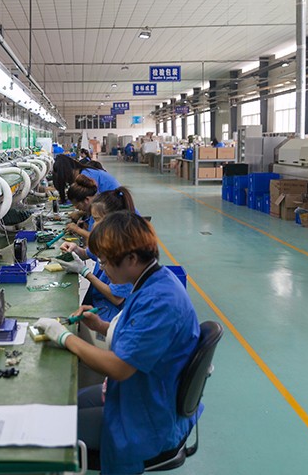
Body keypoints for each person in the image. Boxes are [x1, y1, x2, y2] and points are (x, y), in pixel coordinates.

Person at [36, 212, 200, 474]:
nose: (102, 268)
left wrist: (64, 337)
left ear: (132, 259)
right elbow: (138, 334)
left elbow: (120, 367)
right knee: (64, 404)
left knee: (49, 430)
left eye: (105, 262)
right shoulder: (150, 281)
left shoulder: (160, 300)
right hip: (141, 391)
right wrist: (100, 326)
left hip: (148, 418)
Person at [56, 187, 136, 322]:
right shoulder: (105, 239)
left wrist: (84, 272)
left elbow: (117, 298)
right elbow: (86, 253)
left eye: (97, 219)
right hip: (98, 304)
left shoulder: (125, 249)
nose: (93, 226)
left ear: (114, 219)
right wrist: (75, 249)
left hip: (111, 314)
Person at [52, 154, 120, 204]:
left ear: (68, 172)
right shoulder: (85, 172)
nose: (67, 181)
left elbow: (93, 202)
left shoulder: (86, 175)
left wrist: (80, 214)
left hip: (114, 204)